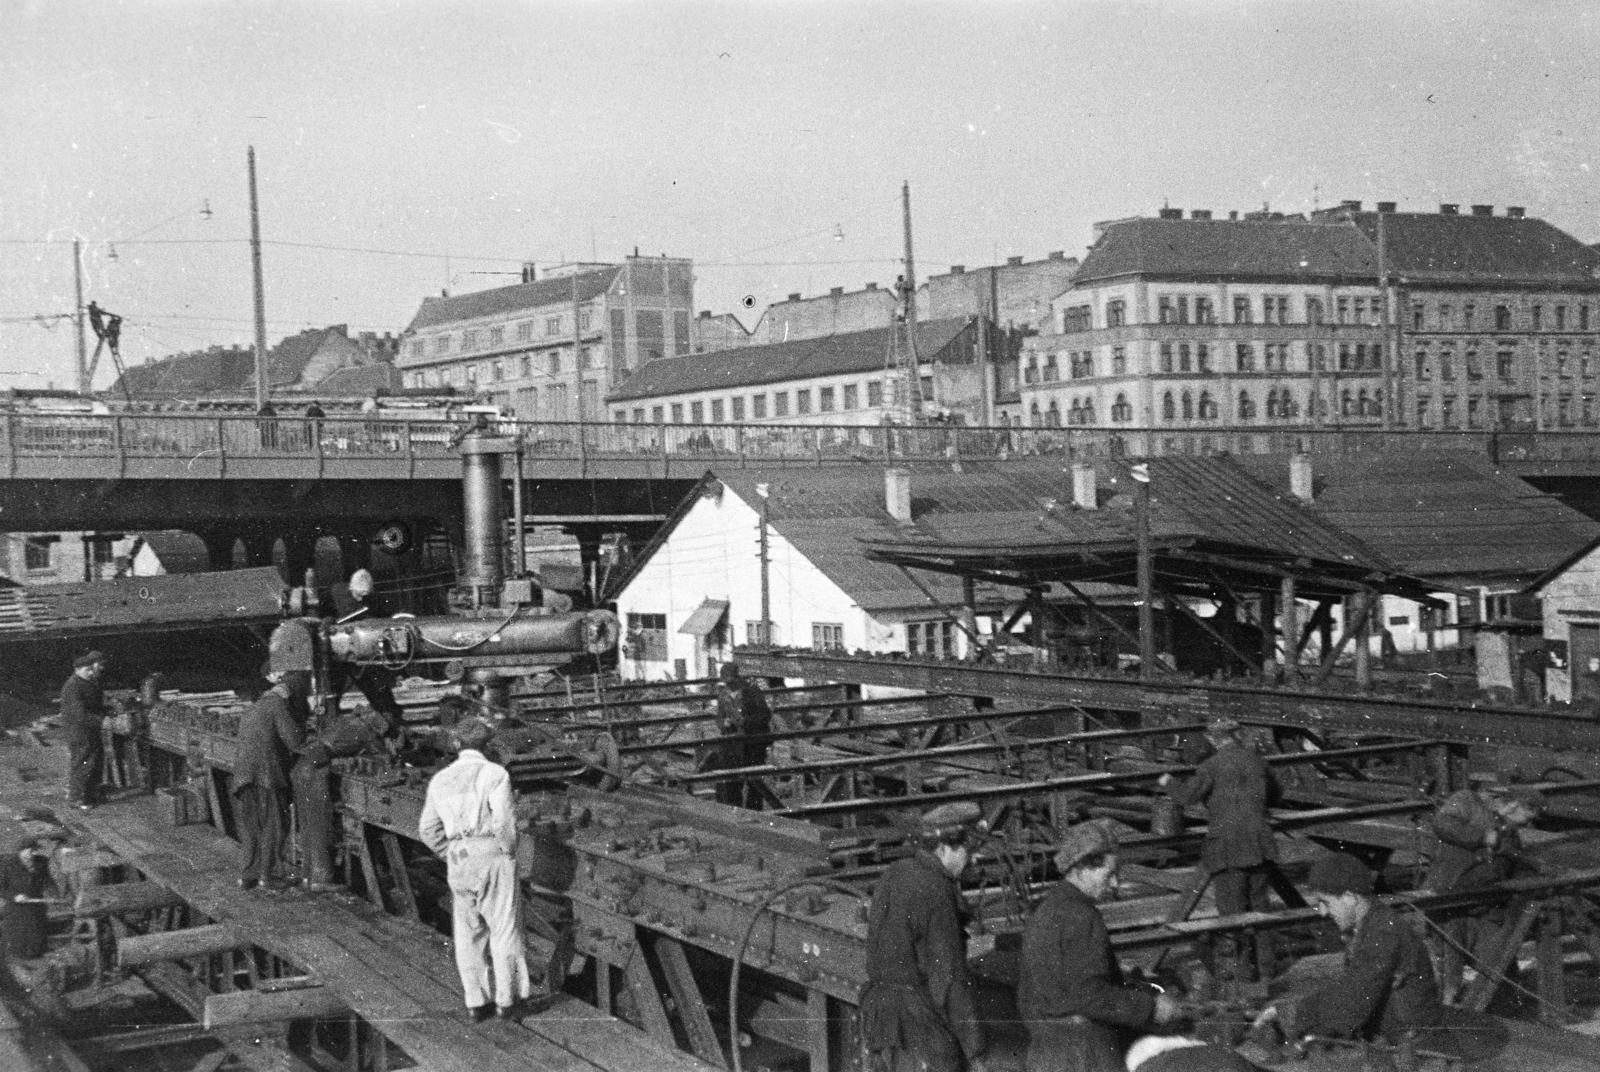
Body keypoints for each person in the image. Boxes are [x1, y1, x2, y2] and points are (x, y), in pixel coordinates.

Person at [1019, 820, 1182, 1072]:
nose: (1115, 884)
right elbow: (1088, 994)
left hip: (1046, 1051)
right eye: (1109, 874)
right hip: (1085, 1054)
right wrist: (1151, 1008)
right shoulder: (1082, 916)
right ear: (1081, 869)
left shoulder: (1047, 909)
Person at [1255, 853, 1442, 1047]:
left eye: (1325, 902)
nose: (1322, 912)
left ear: (1349, 897)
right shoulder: (1370, 924)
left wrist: (1289, 1013)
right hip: (1394, 1033)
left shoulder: (1383, 931)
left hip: (1412, 1045)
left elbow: (1351, 1003)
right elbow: (1351, 988)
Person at [419, 717, 531, 1022]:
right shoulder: (495, 774)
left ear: (457, 745)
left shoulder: (440, 780)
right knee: (504, 928)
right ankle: (507, 1002)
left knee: (468, 933)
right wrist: (506, 852)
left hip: (458, 858)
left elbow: (427, 829)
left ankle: (475, 1003)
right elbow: (504, 823)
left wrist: (451, 852)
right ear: (488, 744)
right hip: (490, 853)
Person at [861, 801, 988, 1072]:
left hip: (881, 1022)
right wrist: (975, 1053)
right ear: (944, 847)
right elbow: (949, 980)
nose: (974, 859)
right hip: (920, 1026)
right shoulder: (937, 890)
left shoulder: (895, 872)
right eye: (969, 851)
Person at [1158, 718, 1281, 981]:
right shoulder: (1256, 761)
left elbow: (1186, 797)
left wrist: (1166, 780)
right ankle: (1268, 972)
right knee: (1261, 911)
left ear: (1213, 739)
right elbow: (1276, 794)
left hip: (1228, 849)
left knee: (1232, 916)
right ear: (1235, 736)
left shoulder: (1210, 766)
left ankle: (1242, 978)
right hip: (1259, 845)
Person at [1424, 785, 1543, 1003]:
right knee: (1447, 977)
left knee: (1503, 972)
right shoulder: (1468, 801)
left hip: (1481, 911)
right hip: (1447, 904)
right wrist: (1481, 836)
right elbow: (1443, 823)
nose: (1528, 825)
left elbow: (1511, 871)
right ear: (1515, 804)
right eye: (1527, 817)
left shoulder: (1511, 838)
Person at [292, 707, 396, 891]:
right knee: (320, 824)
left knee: (308, 823)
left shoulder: (346, 720)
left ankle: (308, 875)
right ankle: (321, 880)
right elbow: (384, 757)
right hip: (315, 771)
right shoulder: (367, 732)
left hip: (301, 767)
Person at [233, 665, 309, 891]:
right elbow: (295, 742)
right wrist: (305, 730)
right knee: (274, 824)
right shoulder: (277, 705)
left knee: (253, 827)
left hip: (244, 776)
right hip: (267, 775)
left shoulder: (256, 707)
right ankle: (269, 876)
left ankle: (248, 875)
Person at [323, 569, 403, 725]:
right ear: (350, 588)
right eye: (358, 595)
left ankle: (391, 718)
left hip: (362, 651)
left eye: (364, 596)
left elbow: (381, 619)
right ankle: (329, 722)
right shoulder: (336, 593)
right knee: (332, 691)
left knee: (377, 687)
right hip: (337, 650)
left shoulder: (372, 598)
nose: (360, 599)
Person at [703, 663, 774, 808]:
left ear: (738, 678)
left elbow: (765, 715)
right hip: (732, 745)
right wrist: (724, 723)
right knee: (732, 784)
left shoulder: (752, 691)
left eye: (732, 682)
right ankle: (735, 814)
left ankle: (755, 816)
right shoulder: (723, 694)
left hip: (753, 744)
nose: (730, 685)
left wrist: (745, 721)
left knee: (755, 784)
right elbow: (720, 716)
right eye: (727, 682)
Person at [61, 651, 108, 810]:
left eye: (91, 669)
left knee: (93, 761)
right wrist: (103, 720)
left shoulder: (86, 683)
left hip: (89, 730)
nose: (91, 672)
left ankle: (89, 795)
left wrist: (109, 709)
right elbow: (80, 713)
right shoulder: (73, 686)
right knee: (83, 763)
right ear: (77, 669)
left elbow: (94, 705)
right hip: (79, 731)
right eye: (87, 670)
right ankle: (76, 799)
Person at [0, 838, 54, 960]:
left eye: (35, 851)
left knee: (38, 941)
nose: (33, 854)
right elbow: (1, 888)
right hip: (16, 909)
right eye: (30, 851)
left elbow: (48, 881)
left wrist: (52, 894)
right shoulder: (8, 864)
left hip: (37, 907)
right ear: (21, 851)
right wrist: (15, 897)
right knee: (20, 942)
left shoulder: (42, 861)